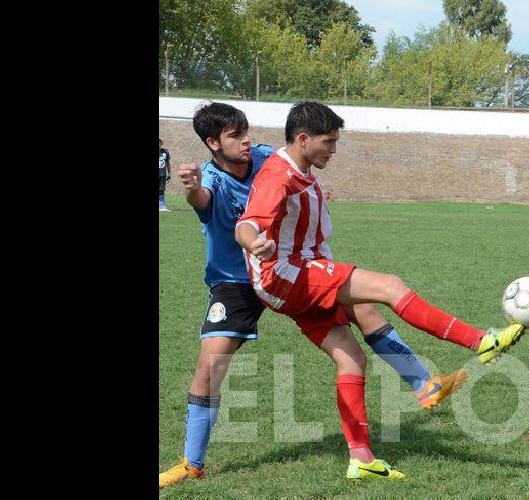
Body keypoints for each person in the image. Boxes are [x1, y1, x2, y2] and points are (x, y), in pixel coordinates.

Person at [159, 102, 465, 489]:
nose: (247, 139)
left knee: (363, 304)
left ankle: (423, 384)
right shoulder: (211, 180)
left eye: (246, 130)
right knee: (211, 364)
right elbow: (202, 203)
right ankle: (192, 462)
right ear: (212, 143)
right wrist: (191, 191)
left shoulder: (267, 158)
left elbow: (294, 172)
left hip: (284, 269)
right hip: (235, 281)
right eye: (235, 135)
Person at [235, 101, 528, 481]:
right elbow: (248, 224)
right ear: (303, 139)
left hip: (289, 276)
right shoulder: (278, 176)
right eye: (329, 142)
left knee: (354, 355)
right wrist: (254, 242)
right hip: (286, 274)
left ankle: (363, 457)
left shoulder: (296, 167)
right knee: (389, 287)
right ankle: (482, 342)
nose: (334, 149)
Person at [159, 138, 172, 211]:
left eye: (160, 144)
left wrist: (169, 173)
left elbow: (168, 163)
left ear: (161, 144)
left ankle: (162, 206)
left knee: (161, 189)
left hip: (162, 174)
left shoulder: (165, 152)